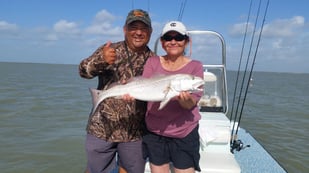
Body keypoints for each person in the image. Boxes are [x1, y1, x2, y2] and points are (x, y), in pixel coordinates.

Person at [79, 9, 155, 173]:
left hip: (134, 132)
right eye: (133, 27)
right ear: (124, 30)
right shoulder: (110, 50)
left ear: (150, 32)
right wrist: (101, 60)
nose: (139, 32)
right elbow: (83, 71)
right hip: (102, 126)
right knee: (94, 170)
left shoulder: (154, 60)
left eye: (144, 28)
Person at [142, 21, 203, 173]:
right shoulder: (152, 61)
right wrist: (128, 92)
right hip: (155, 132)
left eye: (179, 37)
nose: (173, 41)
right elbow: (144, 89)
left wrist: (186, 100)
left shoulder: (196, 66)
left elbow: (191, 104)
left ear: (187, 41)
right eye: (168, 38)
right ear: (162, 42)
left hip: (184, 133)